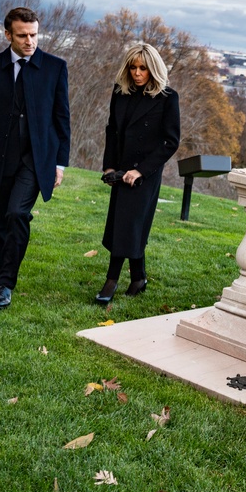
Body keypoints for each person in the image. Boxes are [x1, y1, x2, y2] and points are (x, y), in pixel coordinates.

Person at [0, 6, 71, 310]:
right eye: (23, 35)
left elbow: (62, 119)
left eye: (34, 34)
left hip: (36, 161)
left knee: (16, 214)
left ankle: (6, 285)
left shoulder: (55, 68)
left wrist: (59, 163)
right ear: (8, 34)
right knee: (1, 221)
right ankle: (2, 281)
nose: (30, 41)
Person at [95, 42, 181, 303]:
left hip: (146, 172)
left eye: (143, 67)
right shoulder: (120, 92)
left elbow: (170, 141)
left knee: (129, 224)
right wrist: (110, 166)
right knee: (126, 224)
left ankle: (111, 280)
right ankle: (138, 278)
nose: (137, 72)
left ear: (153, 68)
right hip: (120, 168)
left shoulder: (167, 98)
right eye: (133, 67)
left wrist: (140, 171)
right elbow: (112, 129)